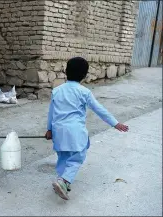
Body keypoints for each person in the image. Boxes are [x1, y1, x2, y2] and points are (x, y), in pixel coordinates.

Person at [45, 57, 129, 200]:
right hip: (75, 132)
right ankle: (64, 181)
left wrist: (49, 130)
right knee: (78, 156)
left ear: (66, 72)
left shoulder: (57, 90)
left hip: (58, 131)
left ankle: (62, 180)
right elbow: (99, 109)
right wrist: (115, 123)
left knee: (63, 156)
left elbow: (51, 112)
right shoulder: (84, 92)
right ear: (84, 75)